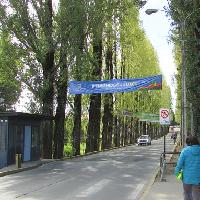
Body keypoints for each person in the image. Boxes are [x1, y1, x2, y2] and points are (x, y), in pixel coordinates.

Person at [175, 135, 200, 200]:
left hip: (187, 178)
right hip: (198, 178)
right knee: (197, 195)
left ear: (188, 143)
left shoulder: (185, 151)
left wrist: (177, 174)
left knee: (187, 193)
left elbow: (179, 164)